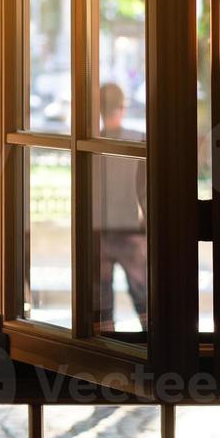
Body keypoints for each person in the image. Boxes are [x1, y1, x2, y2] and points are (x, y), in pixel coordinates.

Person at [96, 82, 148, 332]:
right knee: (144, 297)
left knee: (100, 303)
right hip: (132, 231)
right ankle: (152, 347)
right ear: (121, 108)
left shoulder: (89, 144)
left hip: (98, 230)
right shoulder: (139, 141)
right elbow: (147, 191)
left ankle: (104, 352)